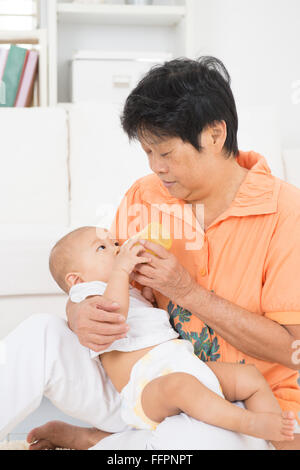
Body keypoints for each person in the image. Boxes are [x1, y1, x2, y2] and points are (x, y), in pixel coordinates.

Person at [43, 225, 298, 449]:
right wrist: (121, 270)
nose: (116, 248)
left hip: (186, 365)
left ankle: (284, 442)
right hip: (147, 388)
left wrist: (148, 292)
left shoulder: (129, 290)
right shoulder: (89, 296)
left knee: (249, 376)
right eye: (101, 247)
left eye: (115, 243)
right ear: (77, 279)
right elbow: (115, 313)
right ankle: (250, 423)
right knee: (182, 387)